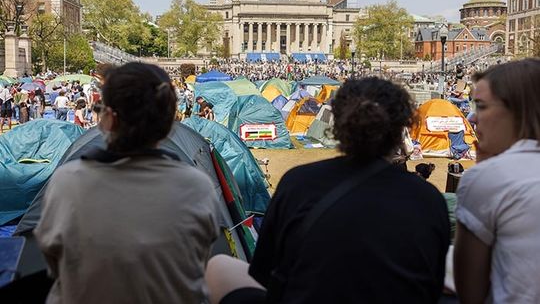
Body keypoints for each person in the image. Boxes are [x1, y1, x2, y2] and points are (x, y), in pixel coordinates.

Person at [206, 77, 450, 304]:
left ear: (337, 125)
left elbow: (264, 270)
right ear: (401, 129)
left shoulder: (298, 183)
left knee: (218, 266)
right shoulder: (428, 199)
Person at [34, 62, 220, 304]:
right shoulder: (197, 186)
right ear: (167, 125)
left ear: (108, 118)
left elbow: (53, 259)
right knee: (225, 267)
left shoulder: (67, 182)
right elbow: (199, 258)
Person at [454, 58, 540, 304]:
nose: (471, 118)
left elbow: (471, 293)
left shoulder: (488, 178)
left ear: (517, 109)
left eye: (481, 106)